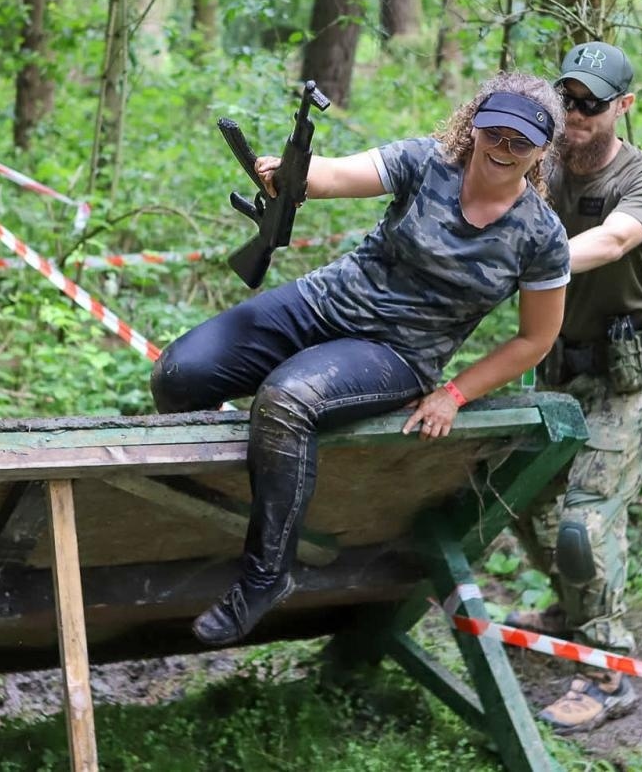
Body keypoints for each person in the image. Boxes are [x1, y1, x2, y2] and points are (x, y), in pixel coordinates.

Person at [152, 73, 573, 647]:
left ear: (542, 151)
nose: (502, 150)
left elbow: (536, 339)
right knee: (179, 375)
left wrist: (454, 393)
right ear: (472, 125)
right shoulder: (425, 162)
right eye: (493, 133)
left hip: (397, 352)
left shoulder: (541, 236)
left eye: (519, 142)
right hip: (323, 303)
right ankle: (205, 515)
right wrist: (291, 173)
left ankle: (265, 577)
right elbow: (339, 173)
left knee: (287, 400)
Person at [508, 41, 642, 735]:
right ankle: (571, 610)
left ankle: (606, 671)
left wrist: (513, 263)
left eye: (592, 104)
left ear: (623, 107)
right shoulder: (538, 165)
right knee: (515, 492)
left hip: (630, 375)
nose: (575, 116)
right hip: (560, 369)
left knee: (583, 523)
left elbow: (609, 244)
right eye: (567, 102)